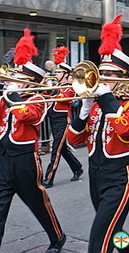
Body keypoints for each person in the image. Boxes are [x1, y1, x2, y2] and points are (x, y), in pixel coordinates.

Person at [0, 29, 65, 253]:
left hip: (24, 159)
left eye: (19, 77)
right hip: (5, 157)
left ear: (31, 82)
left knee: (37, 203)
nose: (13, 79)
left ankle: (57, 237)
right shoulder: (7, 97)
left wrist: (14, 97)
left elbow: (29, 116)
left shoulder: (37, 98)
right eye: (15, 75)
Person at [67, 14, 129, 253]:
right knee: (114, 233)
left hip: (119, 177)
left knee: (100, 238)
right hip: (95, 173)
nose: (101, 79)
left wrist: (107, 98)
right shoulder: (97, 103)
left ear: (123, 79)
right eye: (100, 73)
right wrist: (85, 110)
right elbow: (73, 139)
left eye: (109, 75)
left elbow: (126, 130)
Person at [43, 46, 83, 188]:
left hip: (62, 121)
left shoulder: (71, 87)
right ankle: (77, 167)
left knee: (56, 150)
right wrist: (46, 88)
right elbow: (45, 97)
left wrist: (51, 89)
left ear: (66, 74)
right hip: (53, 119)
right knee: (63, 148)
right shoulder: (56, 85)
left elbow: (63, 98)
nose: (57, 74)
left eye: (59, 72)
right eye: (57, 71)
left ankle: (48, 178)